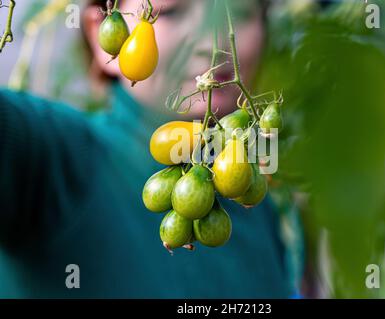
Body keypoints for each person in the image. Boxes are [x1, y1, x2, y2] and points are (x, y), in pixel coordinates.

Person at [0, 0, 296, 298]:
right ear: (104, 36)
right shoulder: (52, 155)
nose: (213, 42)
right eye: (171, 12)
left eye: (240, 11)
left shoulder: (252, 197)